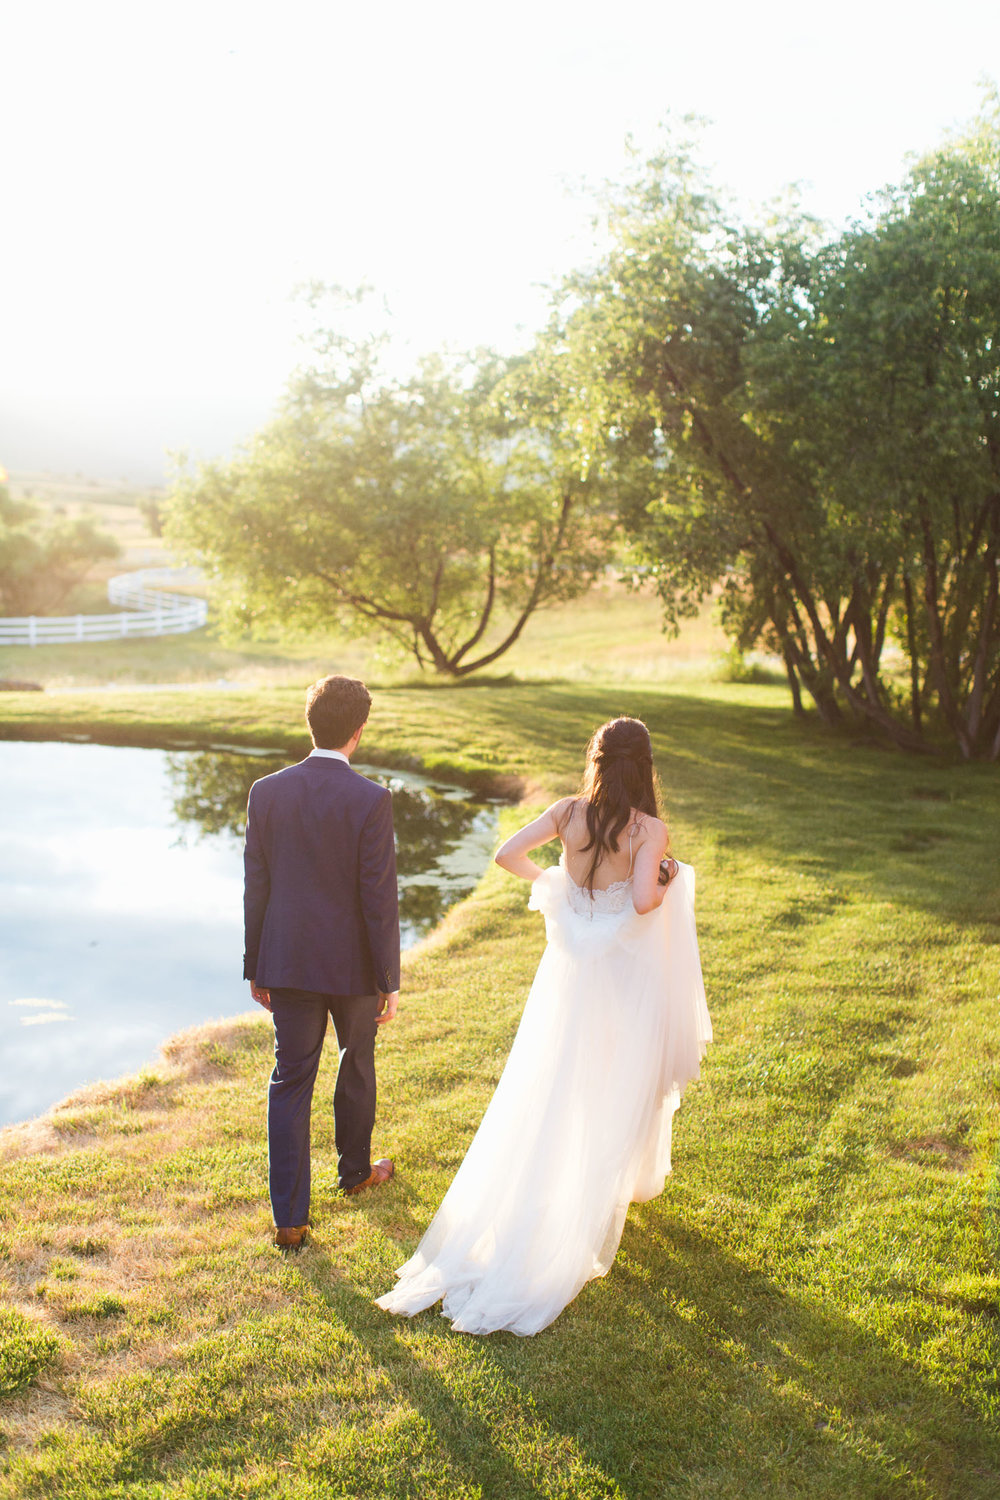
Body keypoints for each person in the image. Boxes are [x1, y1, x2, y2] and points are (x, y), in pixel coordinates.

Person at [376, 715, 711, 1334]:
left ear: (598, 760)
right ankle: (584, 1192)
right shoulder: (649, 831)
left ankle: (544, 1190)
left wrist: (555, 885)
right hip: (616, 978)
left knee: (552, 1079)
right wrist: (665, 879)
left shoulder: (567, 813)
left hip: (566, 976)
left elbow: (507, 856)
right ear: (645, 766)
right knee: (611, 1080)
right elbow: (641, 904)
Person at [243, 674, 400, 1250]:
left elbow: (255, 886)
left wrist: (255, 963)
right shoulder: (372, 799)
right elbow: (379, 899)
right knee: (355, 1062)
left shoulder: (267, 791)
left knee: (290, 1080)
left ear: (310, 723)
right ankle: (355, 1173)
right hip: (355, 968)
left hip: (286, 962)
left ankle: (290, 1219)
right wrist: (389, 979)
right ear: (359, 732)